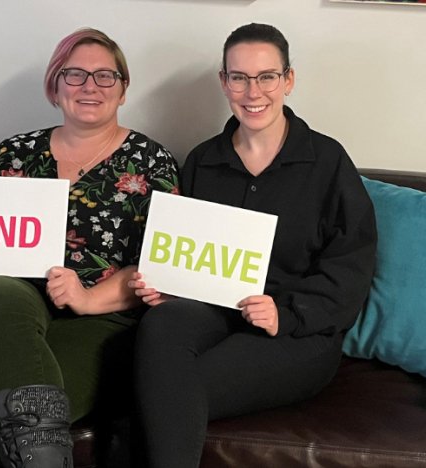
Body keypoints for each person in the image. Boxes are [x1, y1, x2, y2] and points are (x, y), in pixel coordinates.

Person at [0, 27, 179, 468]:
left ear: (122, 89)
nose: (89, 87)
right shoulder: (13, 154)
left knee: (12, 413)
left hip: (98, 321)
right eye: (75, 74)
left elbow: (156, 268)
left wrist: (86, 297)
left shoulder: (152, 162)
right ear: (55, 85)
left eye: (105, 76)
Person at [128, 23, 377, 468]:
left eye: (266, 76)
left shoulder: (327, 160)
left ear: (288, 80)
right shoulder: (204, 160)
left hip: (295, 332)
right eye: (239, 77)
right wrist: (169, 285)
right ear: (224, 82)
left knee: (166, 393)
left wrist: (286, 312)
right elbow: (190, 248)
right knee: (162, 324)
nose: (252, 91)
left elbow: (351, 267)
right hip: (215, 310)